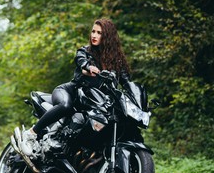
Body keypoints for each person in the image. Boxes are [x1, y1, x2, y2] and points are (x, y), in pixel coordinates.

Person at [19, 18, 131, 156]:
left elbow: (128, 82)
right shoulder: (85, 51)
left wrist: (138, 99)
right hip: (69, 92)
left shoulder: (116, 61)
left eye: (99, 33)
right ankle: (31, 134)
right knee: (66, 106)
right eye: (93, 31)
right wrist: (88, 67)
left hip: (94, 102)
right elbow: (81, 60)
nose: (94, 35)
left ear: (108, 36)